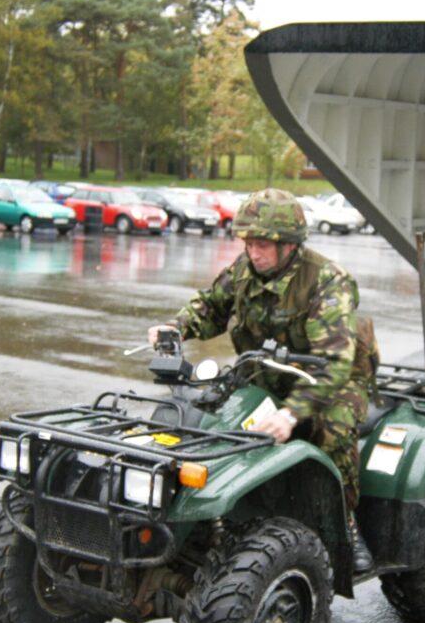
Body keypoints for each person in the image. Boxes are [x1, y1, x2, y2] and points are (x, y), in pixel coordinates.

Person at [149, 189, 374, 572]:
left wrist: (291, 414)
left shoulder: (327, 281)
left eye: (263, 244)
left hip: (330, 379)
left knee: (333, 430)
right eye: (249, 242)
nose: (254, 252)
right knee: (206, 414)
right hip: (264, 371)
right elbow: (209, 305)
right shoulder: (245, 271)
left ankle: (347, 527)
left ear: (289, 245)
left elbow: (335, 362)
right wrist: (176, 327)